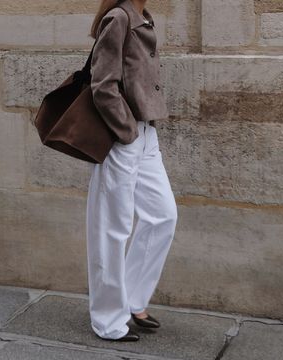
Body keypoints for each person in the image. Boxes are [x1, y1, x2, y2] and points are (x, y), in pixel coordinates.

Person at [86, 0, 178, 341]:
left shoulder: (144, 18)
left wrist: (140, 131)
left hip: (146, 134)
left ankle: (132, 300)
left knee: (163, 215)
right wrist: (125, 132)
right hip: (122, 136)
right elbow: (102, 84)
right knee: (114, 228)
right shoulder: (118, 18)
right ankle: (108, 320)